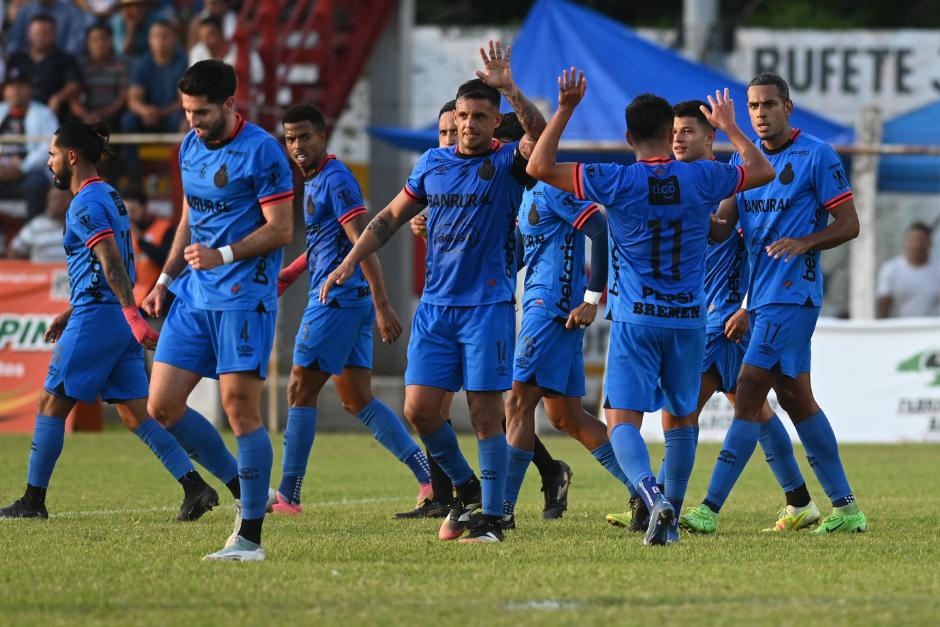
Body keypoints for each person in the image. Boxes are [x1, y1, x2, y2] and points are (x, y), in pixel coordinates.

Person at [526, 69, 775, 545]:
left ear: (628, 137)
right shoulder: (703, 176)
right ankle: (673, 515)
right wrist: (730, 127)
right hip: (688, 320)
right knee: (682, 419)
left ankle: (649, 493)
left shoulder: (615, 180)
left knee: (621, 417)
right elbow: (762, 170)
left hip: (637, 318)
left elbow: (539, 167)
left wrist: (566, 108)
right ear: (669, 133)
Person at [322, 41, 546, 544]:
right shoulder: (432, 163)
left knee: (486, 412)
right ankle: (464, 488)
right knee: (419, 410)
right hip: (436, 309)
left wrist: (509, 87)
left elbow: (543, 134)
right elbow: (388, 219)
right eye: (463, 115)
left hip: (485, 307)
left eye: (480, 117)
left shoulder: (510, 161)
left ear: (494, 122)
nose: (469, 125)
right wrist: (349, 262)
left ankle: (492, 517)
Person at [607, 100, 821, 533]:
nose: (679, 138)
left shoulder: (726, 184)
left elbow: (753, 245)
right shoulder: (675, 184)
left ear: (711, 138)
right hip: (696, 318)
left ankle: (657, 506)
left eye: (688, 131)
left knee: (685, 416)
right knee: (753, 410)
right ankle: (798, 499)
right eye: (675, 132)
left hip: (720, 320)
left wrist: (745, 306)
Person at [0, 120, 218, 522]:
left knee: (50, 403)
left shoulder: (84, 203)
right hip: (111, 317)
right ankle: (195, 487)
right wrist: (77, 312)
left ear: (71, 157)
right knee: (135, 413)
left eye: (51, 155)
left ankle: (32, 502)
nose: (48, 163)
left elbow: (112, 263)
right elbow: (103, 268)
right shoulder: (110, 196)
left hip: (102, 318)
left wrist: (129, 314)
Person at [680, 73, 868, 536]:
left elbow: (849, 224)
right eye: (752, 107)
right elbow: (722, 230)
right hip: (762, 300)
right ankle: (845, 510)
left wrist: (806, 241)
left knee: (748, 390)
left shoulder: (816, 155)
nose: (760, 113)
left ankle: (709, 508)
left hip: (795, 294)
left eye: (768, 104)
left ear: (788, 107)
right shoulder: (745, 166)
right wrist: (687, 208)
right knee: (796, 398)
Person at [142, 60, 295, 561]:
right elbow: (190, 215)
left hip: (244, 298)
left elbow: (281, 229)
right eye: (187, 111)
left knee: (241, 410)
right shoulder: (189, 145)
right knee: (161, 405)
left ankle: (250, 537)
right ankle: (243, 489)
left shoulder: (263, 152)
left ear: (231, 103)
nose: (193, 121)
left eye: (202, 111)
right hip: (193, 297)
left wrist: (222, 255)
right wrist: (164, 279)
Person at [403, 107, 574, 521]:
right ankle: (471, 490)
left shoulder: (517, 181)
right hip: (448, 307)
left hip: (521, 306)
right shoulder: (440, 171)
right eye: (443, 130)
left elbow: (518, 248)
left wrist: (588, 294)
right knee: (451, 408)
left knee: (504, 408)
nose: (448, 138)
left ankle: (480, 501)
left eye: (454, 128)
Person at [273, 103, 434, 515]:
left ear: (323, 136)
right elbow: (327, 242)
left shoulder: (336, 179)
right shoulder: (315, 180)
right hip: (348, 299)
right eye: (290, 139)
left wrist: (383, 304)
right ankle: (427, 476)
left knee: (299, 389)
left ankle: (289, 494)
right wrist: (291, 272)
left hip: (338, 300)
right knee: (357, 399)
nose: (297, 147)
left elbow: (364, 242)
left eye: (304, 137)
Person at [122, 19, 187, 184]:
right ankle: (134, 178)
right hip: (148, 116)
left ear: (174, 39)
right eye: (156, 36)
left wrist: (159, 112)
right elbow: (133, 99)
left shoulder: (183, 62)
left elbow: (185, 100)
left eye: (165, 36)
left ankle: (179, 178)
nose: (160, 41)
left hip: (172, 114)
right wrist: (145, 111)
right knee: (129, 121)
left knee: (181, 121)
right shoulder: (143, 64)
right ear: (149, 40)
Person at [0, 61, 57, 220]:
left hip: (28, 173)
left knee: (36, 183)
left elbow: (50, 146)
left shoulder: (44, 113)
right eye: (11, 86)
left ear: (30, 89)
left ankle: (32, 232)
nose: (16, 91)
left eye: (21, 86)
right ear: (5, 90)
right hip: (2, 172)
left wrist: (22, 167)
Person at [7, 14, 83, 119]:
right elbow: (6, 86)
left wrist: (58, 97)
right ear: (29, 34)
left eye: (46, 33)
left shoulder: (65, 59)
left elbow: (74, 84)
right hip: (21, 115)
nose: (41, 37)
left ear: (55, 34)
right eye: (37, 33)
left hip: (55, 114)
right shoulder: (16, 59)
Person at [71, 21, 130, 130]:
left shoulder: (120, 64)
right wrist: (85, 114)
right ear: (87, 43)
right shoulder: (80, 66)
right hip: (87, 113)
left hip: (112, 114)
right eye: (94, 40)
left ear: (111, 41)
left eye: (104, 39)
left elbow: (123, 97)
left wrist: (102, 114)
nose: (99, 44)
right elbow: (73, 98)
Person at [876, 222, 939, 318]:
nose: (917, 244)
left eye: (922, 240)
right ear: (906, 242)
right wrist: (882, 330)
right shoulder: (891, 269)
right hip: (900, 330)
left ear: (930, 243)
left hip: (932, 330)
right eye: (913, 240)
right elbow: (883, 304)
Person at [123, 186, 174, 305]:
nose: (129, 217)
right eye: (126, 213)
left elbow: (166, 261)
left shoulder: (165, 228)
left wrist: (140, 240)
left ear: (145, 207)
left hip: (159, 300)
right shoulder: (124, 234)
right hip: (134, 302)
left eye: (133, 211)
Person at [188, 16, 264, 85]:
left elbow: (259, 76)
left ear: (221, 33)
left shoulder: (241, 48)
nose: (206, 41)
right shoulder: (197, 51)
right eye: (203, 37)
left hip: (242, 96)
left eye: (210, 35)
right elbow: (192, 81)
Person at [5, 0, 93, 58]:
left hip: (60, 62)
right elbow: (14, 41)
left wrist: (63, 61)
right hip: (28, 63)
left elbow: (76, 42)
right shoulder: (26, 10)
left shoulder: (70, 11)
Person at [7, 187, 69, 261]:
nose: (60, 202)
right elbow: (15, 250)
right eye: (55, 198)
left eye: (63, 197)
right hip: (40, 270)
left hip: (70, 271)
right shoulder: (36, 225)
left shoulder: (81, 224)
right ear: (48, 202)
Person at [110, 0, 174, 60]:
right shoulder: (118, 21)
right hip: (127, 64)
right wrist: (131, 28)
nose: (135, 10)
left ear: (147, 7)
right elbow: (122, 53)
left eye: (140, 6)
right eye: (130, 6)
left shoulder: (156, 20)